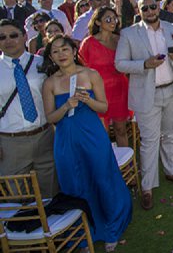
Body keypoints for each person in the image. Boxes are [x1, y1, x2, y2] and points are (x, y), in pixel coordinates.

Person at [41, 35, 131, 250]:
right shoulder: (50, 83)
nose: (61, 54)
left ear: (73, 51)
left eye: (65, 49)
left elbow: (104, 108)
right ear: (51, 57)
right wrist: (65, 106)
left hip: (92, 136)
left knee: (102, 178)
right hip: (66, 140)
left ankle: (110, 228)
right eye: (55, 51)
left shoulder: (91, 74)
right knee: (74, 182)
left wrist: (87, 100)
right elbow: (50, 118)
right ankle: (83, 230)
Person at [115, 0, 173, 210]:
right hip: (147, 93)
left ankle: (172, 170)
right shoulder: (129, 33)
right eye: (145, 8)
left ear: (158, 7)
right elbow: (119, 63)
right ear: (139, 11)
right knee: (149, 141)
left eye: (153, 7)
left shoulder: (170, 27)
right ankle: (147, 187)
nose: (150, 11)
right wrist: (144, 64)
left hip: (172, 88)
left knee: (171, 132)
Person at [0, 19, 58, 198]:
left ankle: (52, 225)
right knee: (18, 199)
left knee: (51, 194)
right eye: (2, 37)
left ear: (25, 36)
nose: (8, 40)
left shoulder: (43, 63)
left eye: (13, 35)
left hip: (44, 137)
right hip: (11, 143)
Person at [79, 6, 131, 147]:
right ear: (97, 22)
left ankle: (127, 164)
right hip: (99, 93)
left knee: (121, 130)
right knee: (102, 133)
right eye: (108, 19)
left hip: (119, 90)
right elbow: (81, 68)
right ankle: (106, 165)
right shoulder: (88, 43)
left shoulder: (120, 40)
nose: (113, 22)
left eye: (115, 19)